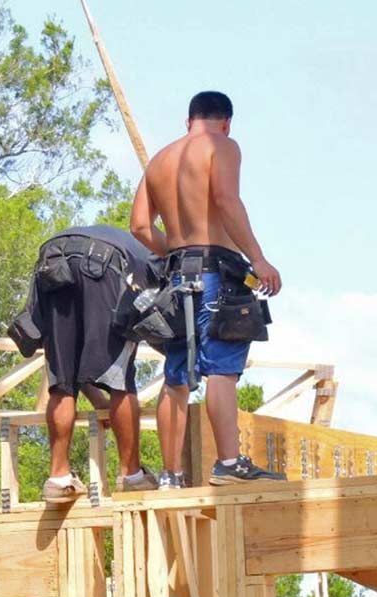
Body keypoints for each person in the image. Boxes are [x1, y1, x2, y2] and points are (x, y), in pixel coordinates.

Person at [130, 90, 286, 487]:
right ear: (226, 121)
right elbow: (225, 199)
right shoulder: (224, 145)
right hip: (217, 270)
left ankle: (170, 475)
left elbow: (141, 227)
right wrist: (259, 259)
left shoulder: (160, 159)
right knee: (221, 369)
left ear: (188, 121)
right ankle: (229, 463)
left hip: (177, 275)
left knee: (177, 375)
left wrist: (178, 253)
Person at [10, 225, 161, 504]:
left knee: (62, 380)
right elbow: (151, 327)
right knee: (121, 376)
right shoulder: (162, 263)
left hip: (53, 256)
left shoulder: (133, 245)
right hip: (104, 264)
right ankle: (132, 476)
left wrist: (98, 401)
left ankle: (58, 478)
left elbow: (76, 355)